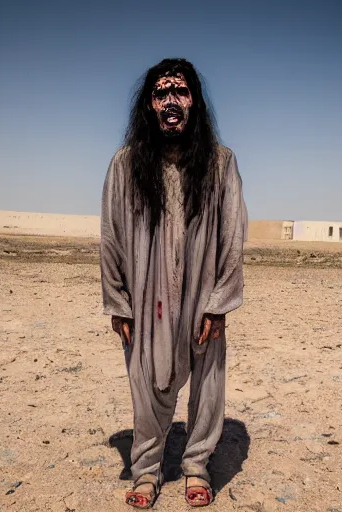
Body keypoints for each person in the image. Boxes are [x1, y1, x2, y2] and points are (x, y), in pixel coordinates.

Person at [100, 58, 248, 508]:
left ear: (194, 103)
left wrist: (219, 301)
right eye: (161, 93)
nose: (170, 101)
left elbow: (233, 235)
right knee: (145, 380)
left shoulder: (221, 164)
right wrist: (118, 301)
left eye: (179, 92)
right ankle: (146, 470)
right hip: (146, 297)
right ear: (149, 105)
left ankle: (196, 465)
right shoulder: (125, 166)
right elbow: (110, 235)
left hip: (204, 292)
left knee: (208, 380)